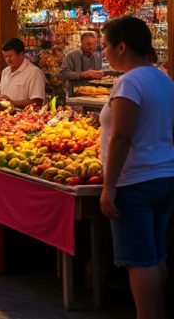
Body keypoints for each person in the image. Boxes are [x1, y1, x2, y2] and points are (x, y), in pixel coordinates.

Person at [98, 16, 174, 319]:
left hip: (136, 182)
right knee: (156, 255)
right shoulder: (163, 79)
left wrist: (109, 185)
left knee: (139, 260)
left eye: (105, 46)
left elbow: (122, 136)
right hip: (164, 176)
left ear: (122, 46)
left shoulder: (129, 82)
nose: (104, 52)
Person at [0, 38, 46, 108]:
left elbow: (37, 102)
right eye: (5, 56)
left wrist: (11, 103)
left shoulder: (34, 72)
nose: (7, 60)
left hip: (24, 117)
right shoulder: (5, 71)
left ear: (21, 55)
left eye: (10, 56)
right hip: (2, 116)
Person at [59, 32, 105, 96]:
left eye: (94, 44)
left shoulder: (98, 56)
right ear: (81, 44)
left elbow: (102, 72)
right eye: (88, 44)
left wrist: (100, 74)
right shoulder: (71, 56)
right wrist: (82, 75)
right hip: (75, 94)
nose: (92, 47)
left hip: (94, 94)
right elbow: (63, 74)